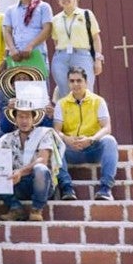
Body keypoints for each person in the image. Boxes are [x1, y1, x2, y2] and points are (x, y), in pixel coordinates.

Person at [53, 66, 118, 201]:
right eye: (72, 81)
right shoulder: (61, 104)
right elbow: (56, 131)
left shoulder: (98, 101)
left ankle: (105, 189)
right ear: (68, 83)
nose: (75, 84)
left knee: (110, 140)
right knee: (54, 142)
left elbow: (107, 127)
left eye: (79, 80)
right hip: (72, 150)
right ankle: (67, 188)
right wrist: (67, 139)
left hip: (93, 149)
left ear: (86, 82)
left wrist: (91, 139)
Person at [0, 98, 60, 222]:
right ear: (15, 119)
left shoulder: (44, 133)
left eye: (27, 117)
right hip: (17, 185)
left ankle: (37, 209)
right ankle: (15, 208)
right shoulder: (5, 139)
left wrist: (20, 171)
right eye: (20, 116)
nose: (24, 121)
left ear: (33, 119)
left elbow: (42, 160)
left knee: (40, 169)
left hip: (41, 185)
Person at [49, 0, 104, 100]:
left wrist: (98, 59)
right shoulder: (55, 19)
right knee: (65, 93)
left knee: (86, 91)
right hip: (61, 58)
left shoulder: (86, 14)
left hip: (82, 55)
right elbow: (56, 40)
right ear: (58, 1)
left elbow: (96, 38)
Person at [2, 0, 54, 79]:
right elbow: (7, 31)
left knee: (40, 90)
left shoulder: (43, 7)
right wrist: (12, 49)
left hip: (36, 54)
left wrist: (30, 46)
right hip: (17, 56)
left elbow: (47, 29)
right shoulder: (10, 10)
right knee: (18, 91)